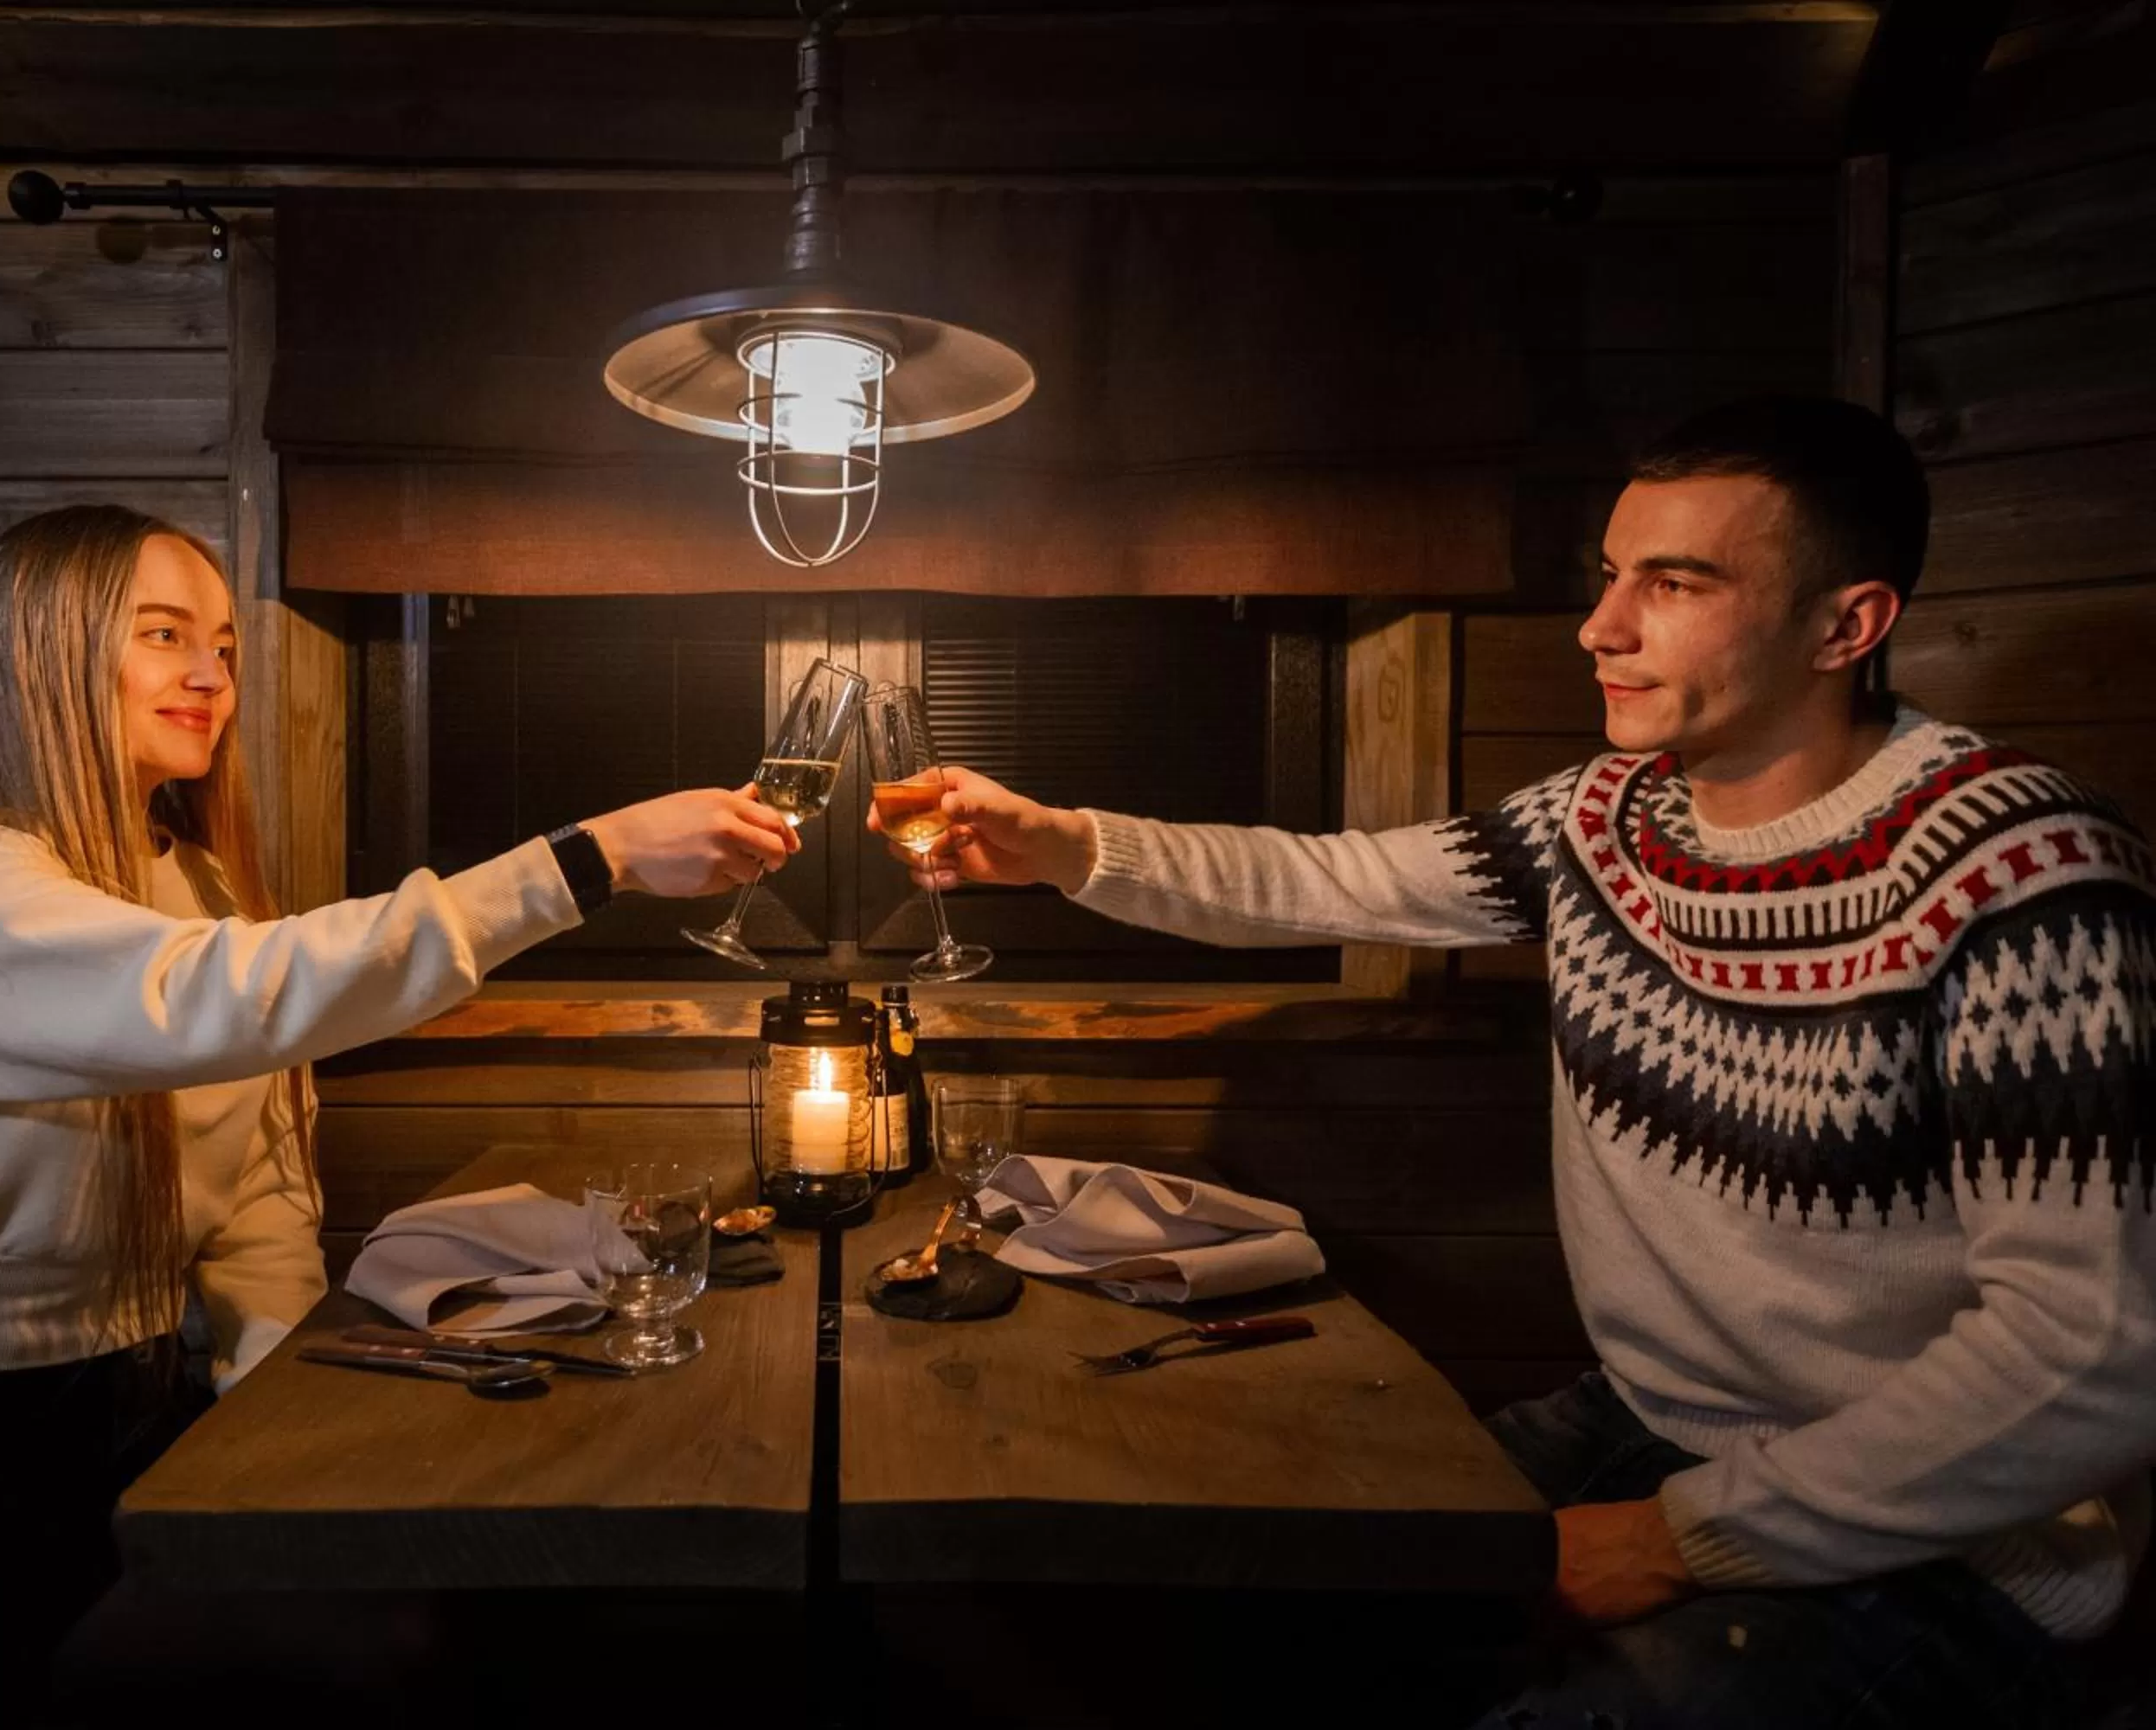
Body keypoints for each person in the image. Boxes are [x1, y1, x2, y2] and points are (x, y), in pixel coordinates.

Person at [875, 397, 2154, 1727]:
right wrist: (1059, 842)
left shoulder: (2023, 875)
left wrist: (1672, 1542)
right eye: (1612, 576)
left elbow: (2091, 1352)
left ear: (1848, 625)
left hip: (1954, 1528)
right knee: (1225, 1590)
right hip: (1650, 1420)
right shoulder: (1605, 822)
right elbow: (1327, 880)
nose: (1603, 627)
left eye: (1675, 583)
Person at [0, 505, 798, 1728]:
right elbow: (213, 1001)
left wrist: (295, 1449)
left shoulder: (193, 882)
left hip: (125, 1420)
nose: (210, 675)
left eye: (225, 644)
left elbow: (263, 1206)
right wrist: (583, 861)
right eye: (164, 634)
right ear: (40, 652)